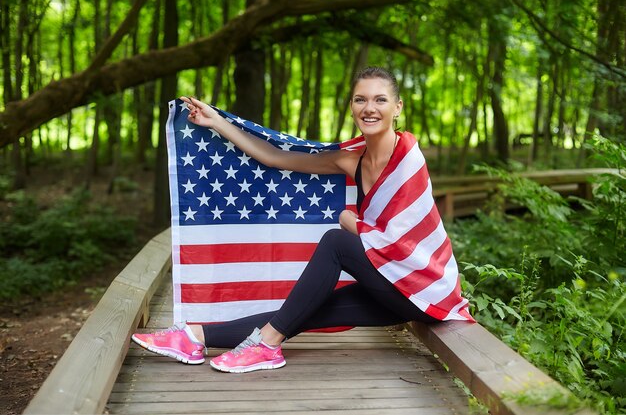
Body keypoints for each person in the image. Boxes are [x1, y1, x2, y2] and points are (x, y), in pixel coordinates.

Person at [131, 66, 473, 374]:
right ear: (352, 106)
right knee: (305, 310)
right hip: (393, 290)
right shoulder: (350, 160)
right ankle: (193, 338)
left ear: (397, 108)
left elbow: (400, 243)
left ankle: (265, 347)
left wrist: (349, 221)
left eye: (380, 99)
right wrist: (216, 122)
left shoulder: (409, 159)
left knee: (336, 242)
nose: (370, 108)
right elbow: (275, 157)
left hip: (423, 292)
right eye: (360, 99)